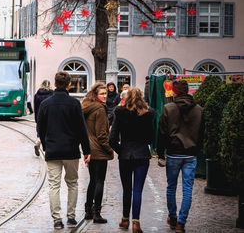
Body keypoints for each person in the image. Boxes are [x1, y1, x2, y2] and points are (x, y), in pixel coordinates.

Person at [37, 71, 91, 229]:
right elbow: (82, 129)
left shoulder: (45, 104)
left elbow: (40, 128)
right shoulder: (74, 104)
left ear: (54, 84)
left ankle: (57, 219)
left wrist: (47, 147)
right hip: (71, 150)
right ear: (69, 85)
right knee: (72, 183)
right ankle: (71, 217)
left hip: (53, 150)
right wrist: (86, 150)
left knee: (54, 185)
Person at [157, 80, 203, 233]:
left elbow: (162, 132)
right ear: (188, 90)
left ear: (175, 92)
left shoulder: (168, 108)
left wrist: (160, 152)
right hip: (190, 154)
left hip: (174, 153)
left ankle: (173, 217)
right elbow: (202, 134)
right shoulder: (199, 110)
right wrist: (197, 150)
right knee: (187, 189)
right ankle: (181, 223)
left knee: (171, 187)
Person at [109, 88, 155, 233]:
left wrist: (120, 150)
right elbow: (150, 138)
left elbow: (112, 138)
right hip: (141, 154)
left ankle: (124, 219)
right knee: (137, 190)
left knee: (126, 189)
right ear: (141, 97)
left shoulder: (120, 112)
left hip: (125, 155)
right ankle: (136, 223)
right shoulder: (149, 114)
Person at [82, 82, 114, 224]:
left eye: (106, 93)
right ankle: (97, 213)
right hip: (99, 150)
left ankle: (88, 211)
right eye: (102, 94)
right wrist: (110, 150)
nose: (105, 96)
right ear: (95, 95)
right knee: (99, 181)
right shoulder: (100, 109)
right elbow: (102, 135)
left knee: (93, 181)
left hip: (89, 148)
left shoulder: (87, 106)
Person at [33, 79, 53, 156]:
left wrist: (36, 119)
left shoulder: (37, 95)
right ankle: (48, 150)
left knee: (40, 132)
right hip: (49, 117)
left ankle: (38, 141)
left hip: (39, 116)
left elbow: (35, 107)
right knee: (48, 133)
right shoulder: (52, 94)